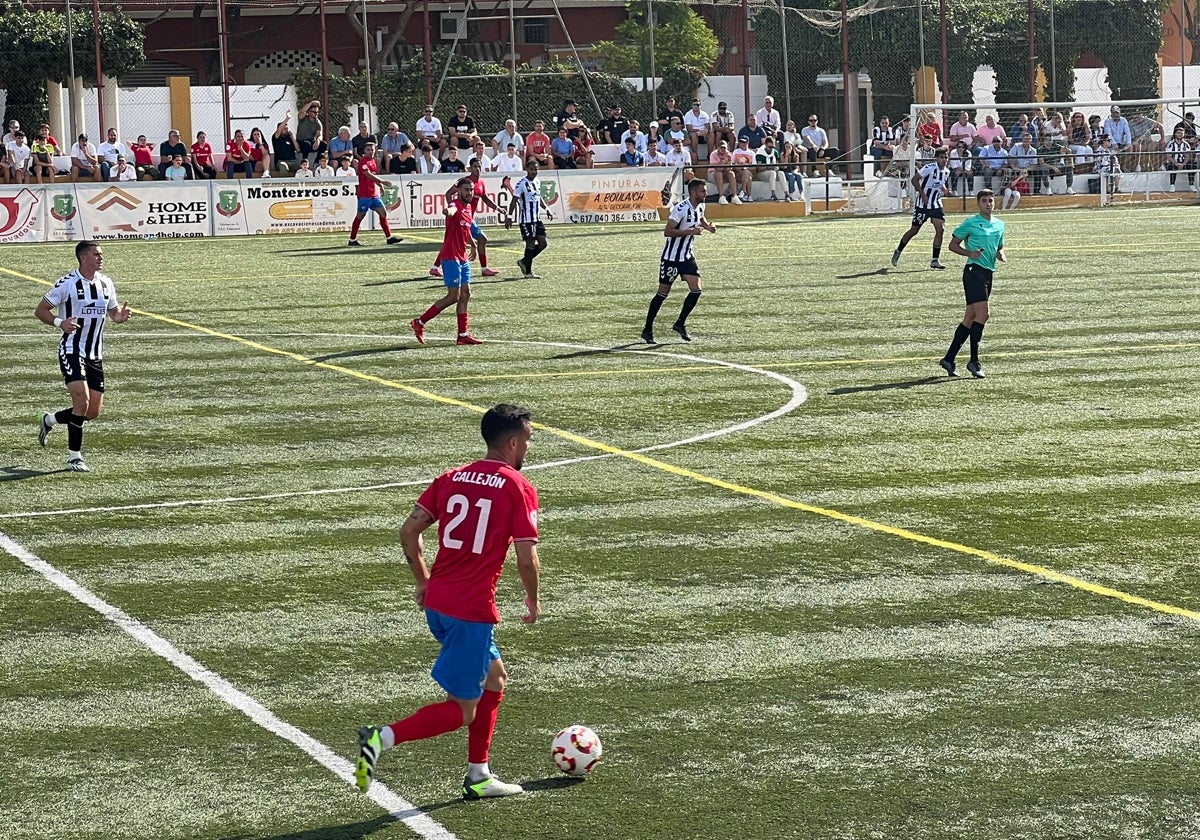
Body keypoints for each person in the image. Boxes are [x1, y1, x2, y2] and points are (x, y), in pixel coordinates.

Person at [354, 403, 541, 799]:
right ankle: (380, 738)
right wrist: (532, 599)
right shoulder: (517, 486)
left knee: (495, 678)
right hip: (469, 612)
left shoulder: (452, 477)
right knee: (463, 709)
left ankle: (479, 776)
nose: (528, 446)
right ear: (511, 442)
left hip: (439, 604)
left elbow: (408, 532)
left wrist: (423, 581)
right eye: (527, 439)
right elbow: (526, 557)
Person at [35, 241, 133, 473]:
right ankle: (74, 457)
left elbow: (113, 312)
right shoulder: (67, 284)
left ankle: (49, 420)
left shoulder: (106, 283)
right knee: (81, 401)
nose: (101, 257)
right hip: (71, 350)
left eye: (101, 254)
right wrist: (60, 323)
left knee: (92, 412)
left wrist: (119, 317)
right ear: (83, 257)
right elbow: (40, 310)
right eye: (96, 254)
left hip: (94, 354)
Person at [939, 189, 1006, 380]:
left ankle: (949, 359)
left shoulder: (1000, 225)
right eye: (984, 201)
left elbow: (999, 246)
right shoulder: (970, 222)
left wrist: (1001, 254)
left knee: (970, 317)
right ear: (978, 203)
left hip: (988, 273)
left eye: (991, 201)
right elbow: (953, 245)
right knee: (984, 315)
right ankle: (974, 361)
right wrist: (969, 253)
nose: (988, 204)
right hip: (973, 272)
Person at [411, 177, 485, 345]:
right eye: (466, 190)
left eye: (471, 190)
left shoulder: (467, 207)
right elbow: (450, 210)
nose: (469, 193)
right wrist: (448, 211)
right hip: (450, 257)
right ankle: (419, 322)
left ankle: (462, 335)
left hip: (462, 258)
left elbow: (465, 230)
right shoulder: (455, 205)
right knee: (453, 296)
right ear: (458, 191)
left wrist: (473, 245)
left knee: (465, 294)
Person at [642, 178, 716, 344]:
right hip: (671, 258)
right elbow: (668, 231)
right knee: (663, 293)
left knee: (696, 290)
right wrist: (691, 231)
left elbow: (701, 218)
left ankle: (680, 323)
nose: (705, 193)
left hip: (687, 256)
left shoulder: (701, 205)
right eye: (702, 191)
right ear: (693, 192)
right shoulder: (680, 209)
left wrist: (707, 227)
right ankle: (647, 329)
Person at [430, 158, 501, 278]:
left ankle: (435, 267)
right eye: (474, 166)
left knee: (453, 242)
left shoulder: (481, 183)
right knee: (478, 239)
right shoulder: (464, 182)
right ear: (470, 168)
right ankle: (484, 268)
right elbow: (448, 193)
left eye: (479, 166)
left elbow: (485, 198)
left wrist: (497, 208)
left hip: (468, 217)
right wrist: (453, 210)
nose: (477, 169)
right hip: (461, 216)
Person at [891, 147, 951, 271]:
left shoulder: (946, 171)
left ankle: (935, 260)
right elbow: (914, 179)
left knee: (940, 229)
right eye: (941, 157)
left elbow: (940, 183)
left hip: (935, 204)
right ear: (937, 158)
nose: (944, 160)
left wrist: (944, 189)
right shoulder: (929, 168)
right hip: (922, 205)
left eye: (946, 157)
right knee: (914, 230)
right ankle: (898, 251)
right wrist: (922, 194)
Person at [347, 140, 403, 247]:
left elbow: (372, 177)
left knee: (383, 213)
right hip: (364, 195)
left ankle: (389, 238)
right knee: (360, 216)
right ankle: (352, 239)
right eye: (368, 150)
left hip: (373, 195)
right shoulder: (363, 161)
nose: (370, 151)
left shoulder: (373, 161)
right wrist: (382, 182)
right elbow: (367, 174)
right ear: (364, 151)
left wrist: (380, 185)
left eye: (372, 149)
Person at [506, 159, 554, 280]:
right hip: (526, 220)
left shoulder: (537, 182)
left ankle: (524, 261)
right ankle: (528, 272)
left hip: (536, 219)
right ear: (527, 170)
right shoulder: (521, 183)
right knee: (530, 243)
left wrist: (546, 208)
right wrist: (509, 216)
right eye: (532, 169)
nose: (534, 171)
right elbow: (514, 200)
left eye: (536, 169)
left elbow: (539, 197)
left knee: (543, 243)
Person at [1164, 126, 1196, 192]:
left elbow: (1187, 156)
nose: (1180, 134)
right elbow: (1169, 157)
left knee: (1192, 166)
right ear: (1175, 134)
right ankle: (1172, 185)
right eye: (1178, 133)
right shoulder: (1170, 144)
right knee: (1171, 167)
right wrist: (1176, 163)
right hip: (1174, 162)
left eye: (1181, 133)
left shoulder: (1186, 144)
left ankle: (1191, 185)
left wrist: (1183, 164)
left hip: (1183, 162)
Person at [755, 136, 786, 201]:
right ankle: (773, 194)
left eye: (773, 147)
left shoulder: (775, 152)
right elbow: (759, 168)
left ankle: (787, 194)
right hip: (762, 174)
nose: (771, 149)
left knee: (781, 173)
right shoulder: (760, 153)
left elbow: (777, 165)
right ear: (765, 145)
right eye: (770, 147)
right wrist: (769, 166)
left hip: (772, 171)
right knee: (772, 173)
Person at [272, 110, 301, 175]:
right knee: (283, 166)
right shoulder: (276, 138)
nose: (286, 130)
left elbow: (298, 149)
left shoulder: (290, 138)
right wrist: (287, 118)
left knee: (301, 166)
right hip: (281, 161)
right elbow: (280, 129)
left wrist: (292, 137)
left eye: (287, 128)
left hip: (292, 161)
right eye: (284, 129)